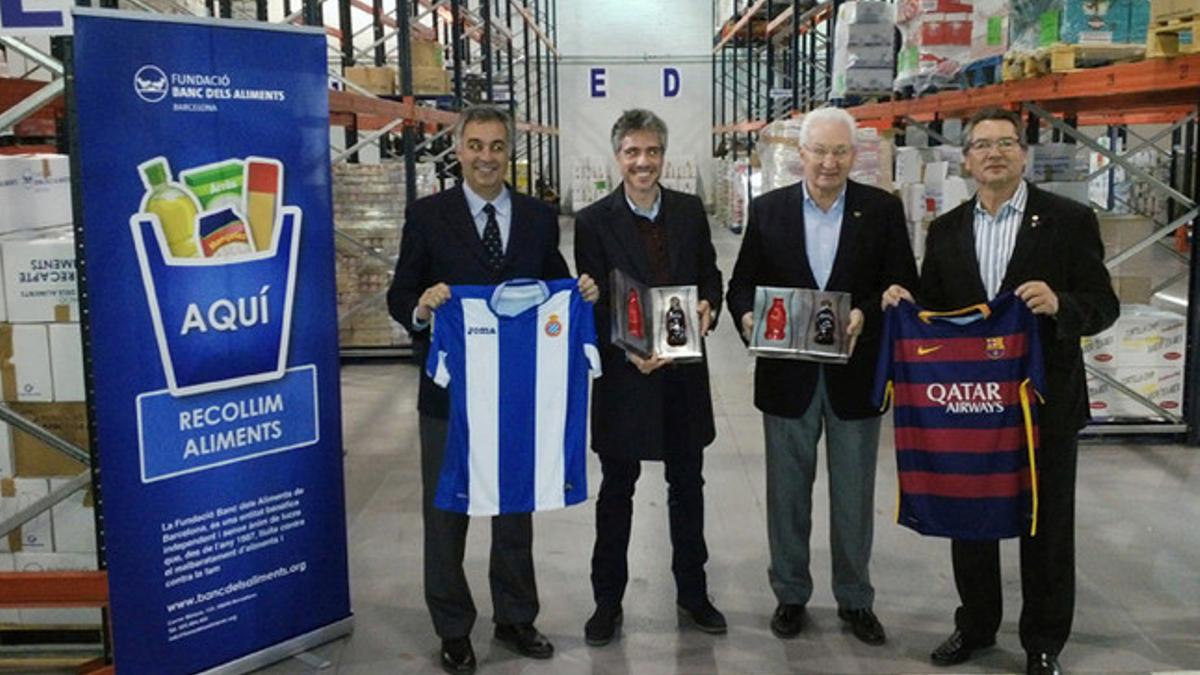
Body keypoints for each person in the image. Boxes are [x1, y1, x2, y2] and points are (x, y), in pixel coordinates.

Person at [882, 106, 1118, 675]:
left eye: (1006, 143)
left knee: (1046, 523)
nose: (994, 153)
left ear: (1023, 154)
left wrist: (1062, 305)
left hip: (1043, 404)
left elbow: (1103, 304)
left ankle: (1043, 642)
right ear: (966, 160)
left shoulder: (1067, 220)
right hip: (971, 408)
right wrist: (903, 303)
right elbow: (936, 310)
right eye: (982, 145)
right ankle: (977, 626)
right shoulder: (947, 231)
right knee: (972, 517)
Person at [387, 104, 597, 675]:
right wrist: (422, 309)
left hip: (516, 393)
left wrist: (579, 292)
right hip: (449, 396)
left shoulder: (536, 216)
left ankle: (515, 616)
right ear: (458, 150)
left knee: (513, 506)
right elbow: (399, 294)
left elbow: (554, 282)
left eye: (497, 146)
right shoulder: (427, 216)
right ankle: (453, 627)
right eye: (475, 145)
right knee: (446, 510)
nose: (486, 157)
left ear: (510, 151)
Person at [726, 106, 917, 645]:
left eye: (839, 152)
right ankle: (790, 594)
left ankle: (855, 598)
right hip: (788, 377)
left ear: (853, 156)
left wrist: (867, 314)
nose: (828, 162)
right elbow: (741, 285)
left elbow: (902, 283)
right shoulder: (769, 212)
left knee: (854, 495)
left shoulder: (880, 211)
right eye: (819, 151)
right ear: (800, 154)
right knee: (787, 494)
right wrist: (747, 318)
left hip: (855, 377)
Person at [573, 109, 725, 646]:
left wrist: (709, 305)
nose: (643, 162)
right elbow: (592, 303)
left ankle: (694, 592)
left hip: (683, 377)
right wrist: (627, 352)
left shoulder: (688, 211)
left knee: (688, 487)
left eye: (652, 151)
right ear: (619, 157)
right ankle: (606, 601)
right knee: (617, 491)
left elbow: (709, 272)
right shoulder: (593, 221)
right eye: (633, 152)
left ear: (663, 155)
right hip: (625, 378)